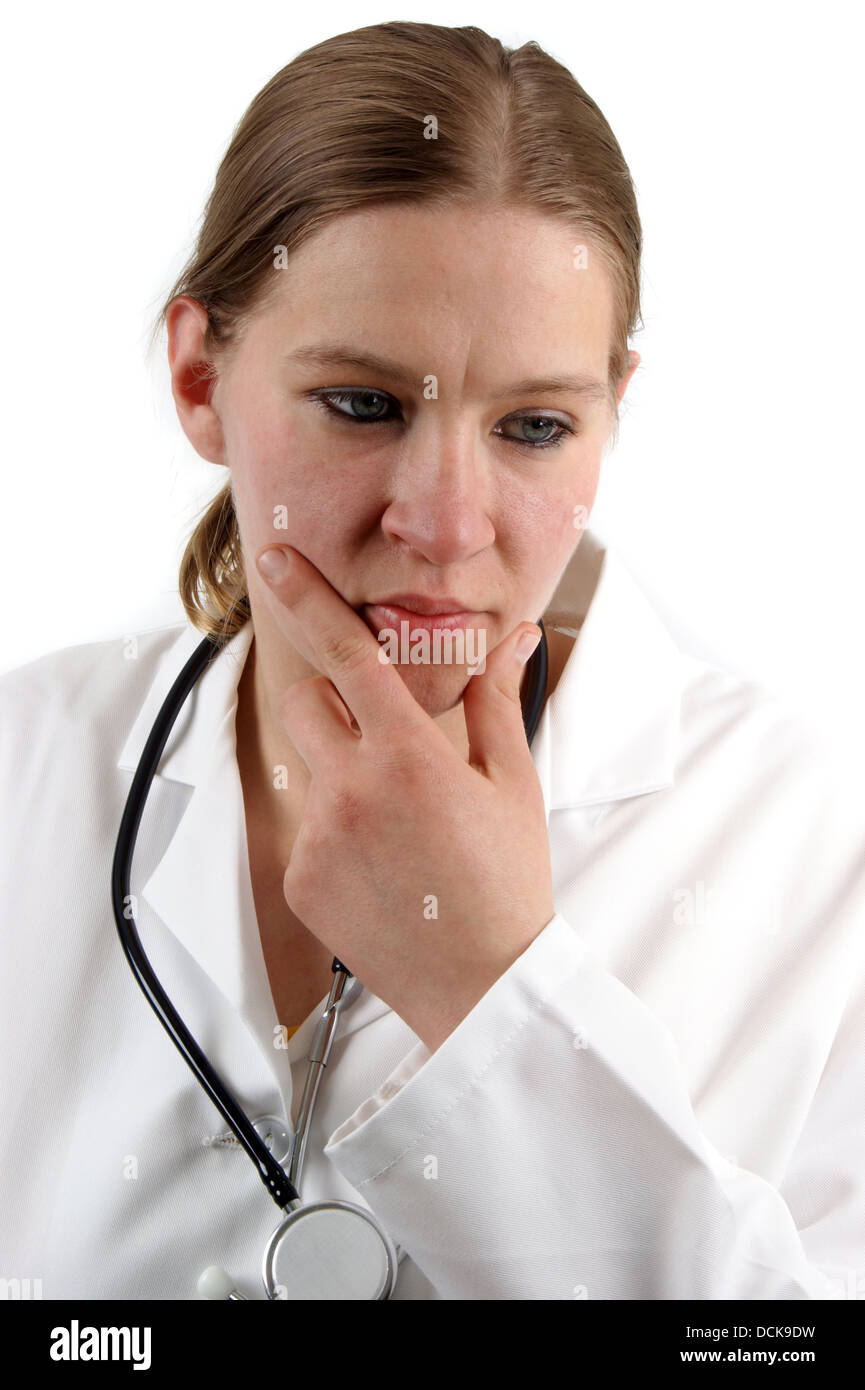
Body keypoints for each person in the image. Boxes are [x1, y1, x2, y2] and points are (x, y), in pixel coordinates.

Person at [1, 20, 863, 1302]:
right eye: (363, 404)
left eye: (533, 425)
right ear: (198, 378)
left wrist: (492, 986)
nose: (447, 525)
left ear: (613, 411)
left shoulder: (813, 844)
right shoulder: (26, 764)